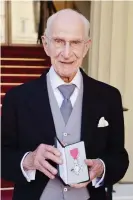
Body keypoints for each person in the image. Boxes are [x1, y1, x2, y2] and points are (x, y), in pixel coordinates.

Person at [1, 9, 129, 200]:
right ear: (46, 44)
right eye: (59, 41)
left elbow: (119, 157)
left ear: (86, 46)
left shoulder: (109, 96)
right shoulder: (16, 98)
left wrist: (101, 167)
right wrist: (29, 160)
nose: (67, 53)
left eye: (75, 42)